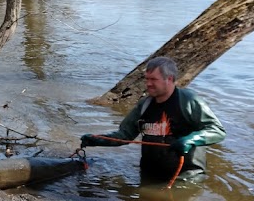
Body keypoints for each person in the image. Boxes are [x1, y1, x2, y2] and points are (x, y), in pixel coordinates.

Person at [80, 56, 226, 182]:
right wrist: (97, 139)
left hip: (185, 177)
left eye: (153, 79)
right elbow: (124, 135)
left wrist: (192, 140)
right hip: (150, 174)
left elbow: (217, 131)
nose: (148, 84)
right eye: (147, 79)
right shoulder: (145, 104)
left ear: (169, 79)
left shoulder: (189, 101)